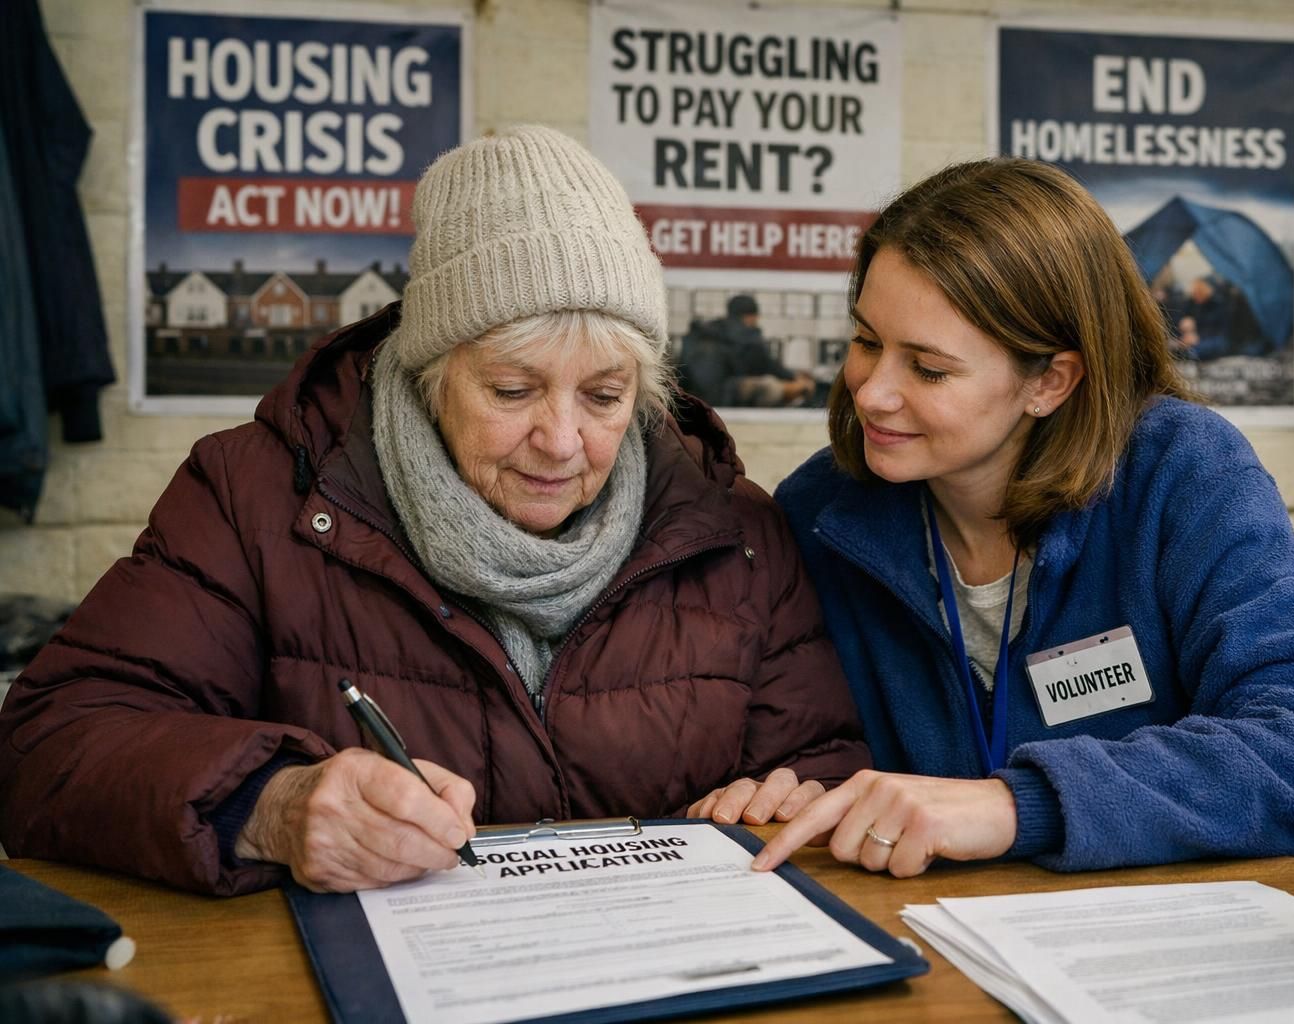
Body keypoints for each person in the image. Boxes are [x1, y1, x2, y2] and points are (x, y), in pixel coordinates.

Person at [0, 126, 868, 896]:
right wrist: (270, 805)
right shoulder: (252, 497)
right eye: (512, 390)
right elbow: (45, 747)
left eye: (605, 396)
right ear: (429, 368)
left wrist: (795, 795)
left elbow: (824, 763)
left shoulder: (734, 531)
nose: (562, 441)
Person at [753, 158, 1294, 879]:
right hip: (950, 937)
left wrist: (1019, 805)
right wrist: (797, 784)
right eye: (867, 342)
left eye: (928, 369)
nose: (872, 394)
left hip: (1186, 938)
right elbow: (825, 749)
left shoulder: (1183, 472)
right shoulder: (818, 512)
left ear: (1049, 381)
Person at [678, 294, 815, 407]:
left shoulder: (707, 330)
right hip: (723, 396)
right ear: (751, 316)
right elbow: (766, 364)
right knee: (771, 386)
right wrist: (795, 379)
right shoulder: (745, 333)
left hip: (692, 397)